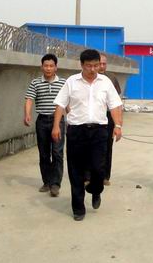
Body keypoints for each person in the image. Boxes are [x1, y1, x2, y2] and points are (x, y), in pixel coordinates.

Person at [51, 49, 123, 221]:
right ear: (82, 65)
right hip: (76, 131)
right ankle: (78, 208)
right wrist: (56, 126)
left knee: (98, 167)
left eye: (96, 65)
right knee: (75, 170)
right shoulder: (72, 82)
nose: (93, 69)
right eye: (89, 66)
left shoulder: (105, 82)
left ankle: (96, 190)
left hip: (99, 131)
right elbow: (60, 104)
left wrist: (118, 125)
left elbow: (115, 105)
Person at [24, 53, 66, 197]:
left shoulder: (63, 83)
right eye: (46, 66)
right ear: (42, 67)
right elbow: (29, 99)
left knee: (57, 152)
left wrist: (72, 117)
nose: (48, 68)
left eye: (51, 66)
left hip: (58, 121)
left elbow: (68, 101)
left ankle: (55, 184)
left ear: (56, 67)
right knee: (44, 153)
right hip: (42, 121)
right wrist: (27, 114)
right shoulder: (35, 83)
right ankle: (47, 182)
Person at [99, 53, 122, 186]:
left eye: (104, 64)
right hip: (94, 116)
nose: (102, 66)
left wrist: (118, 122)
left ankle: (105, 176)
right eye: (100, 63)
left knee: (107, 146)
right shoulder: (88, 78)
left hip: (109, 115)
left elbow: (117, 101)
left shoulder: (111, 78)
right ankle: (88, 175)